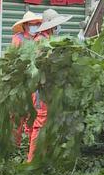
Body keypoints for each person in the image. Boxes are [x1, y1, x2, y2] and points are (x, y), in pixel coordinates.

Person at [26, 9, 71, 162]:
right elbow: (40, 65)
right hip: (40, 88)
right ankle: (32, 161)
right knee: (41, 121)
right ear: (51, 26)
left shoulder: (48, 40)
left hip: (46, 87)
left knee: (45, 122)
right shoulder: (41, 41)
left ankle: (42, 156)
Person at [10, 11, 42, 147]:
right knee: (17, 114)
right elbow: (14, 58)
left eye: (37, 24)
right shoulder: (18, 38)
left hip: (34, 82)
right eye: (32, 24)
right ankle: (14, 145)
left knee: (33, 113)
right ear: (25, 25)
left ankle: (30, 143)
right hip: (20, 81)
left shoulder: (40, 39)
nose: (34, 26)